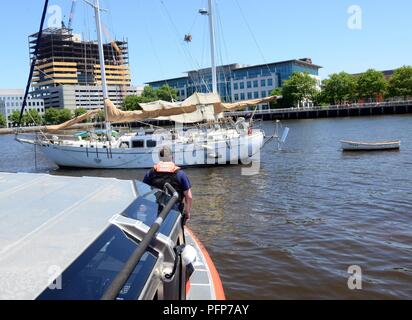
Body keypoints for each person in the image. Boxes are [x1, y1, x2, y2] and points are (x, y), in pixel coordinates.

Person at [143, 146, 193, 224]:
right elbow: (189, 197)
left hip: (154, 211)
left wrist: (145, 208)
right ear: (172, 157)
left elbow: (143, 192)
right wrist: (187, 213)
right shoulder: (180, 174)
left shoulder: (150, 173)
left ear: (159, 158)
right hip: (173, 213)